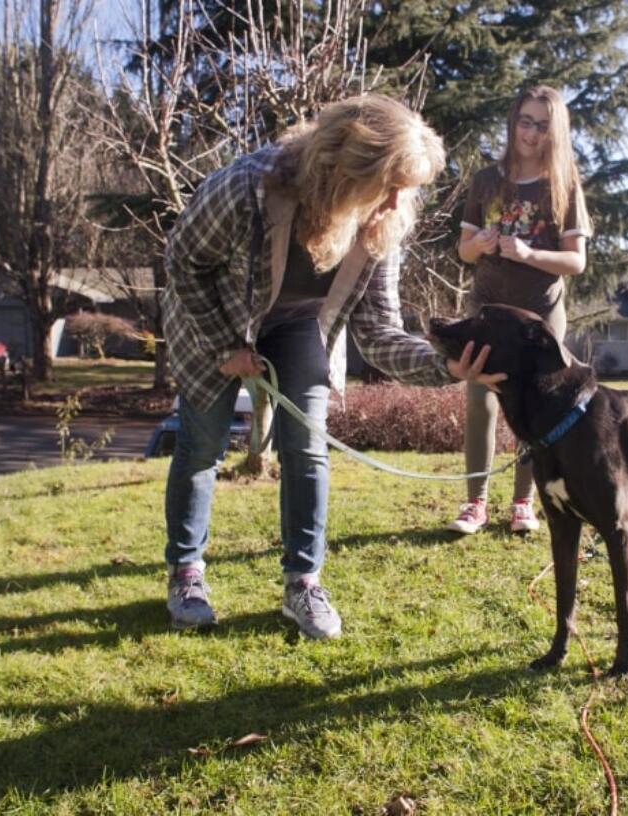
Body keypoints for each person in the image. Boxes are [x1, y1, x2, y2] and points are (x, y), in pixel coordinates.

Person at [162, 94, 501, 639]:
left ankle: (302, 582)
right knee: (202, 446)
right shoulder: (249, 186)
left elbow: (379, 333)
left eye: (405, 189)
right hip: (214, 317)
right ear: (347, 168)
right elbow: (183, 259)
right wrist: (225, 343)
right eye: (389, 186)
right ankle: (186, 572)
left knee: (307, 448)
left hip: (300, 325)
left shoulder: (382, 221)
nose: (396, 203)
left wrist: (448, 365)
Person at [446, 85, 593, 535]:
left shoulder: (564, 184)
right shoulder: (486, 181)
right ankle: (475, 504)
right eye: (525, 121)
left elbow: (576, 261)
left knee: (536, 410)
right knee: (480, 401)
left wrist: (529, 254)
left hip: (540, 319)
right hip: (488, 314)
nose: (531, 132)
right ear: (513, 123)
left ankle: (524, 503)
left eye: (542, 125)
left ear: (556, 131)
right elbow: (463, 252)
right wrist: (479, 244)